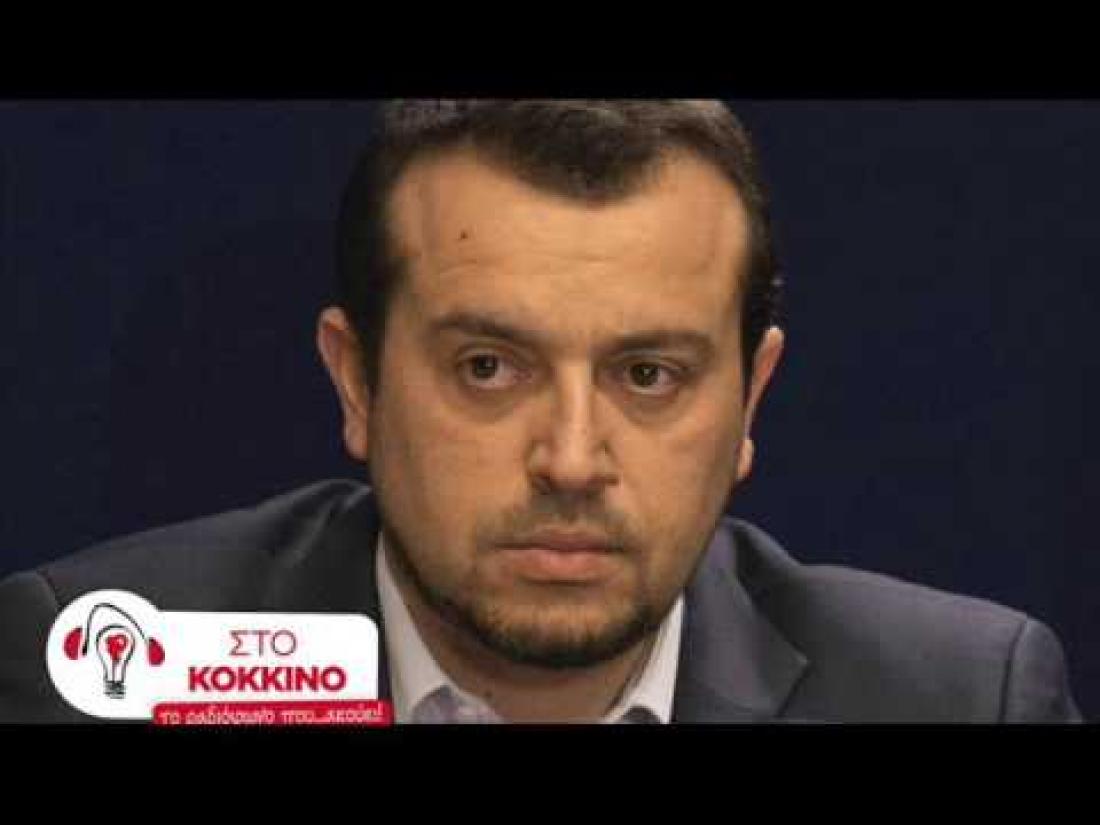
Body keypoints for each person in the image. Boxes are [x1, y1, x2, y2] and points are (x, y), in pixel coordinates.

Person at [0, 100, 1083, 723]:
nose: (569, 459)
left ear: (750, 396)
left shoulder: (955, 698)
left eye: (647, 375)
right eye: (488, 367)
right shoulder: (106, 673)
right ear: (357, 382)